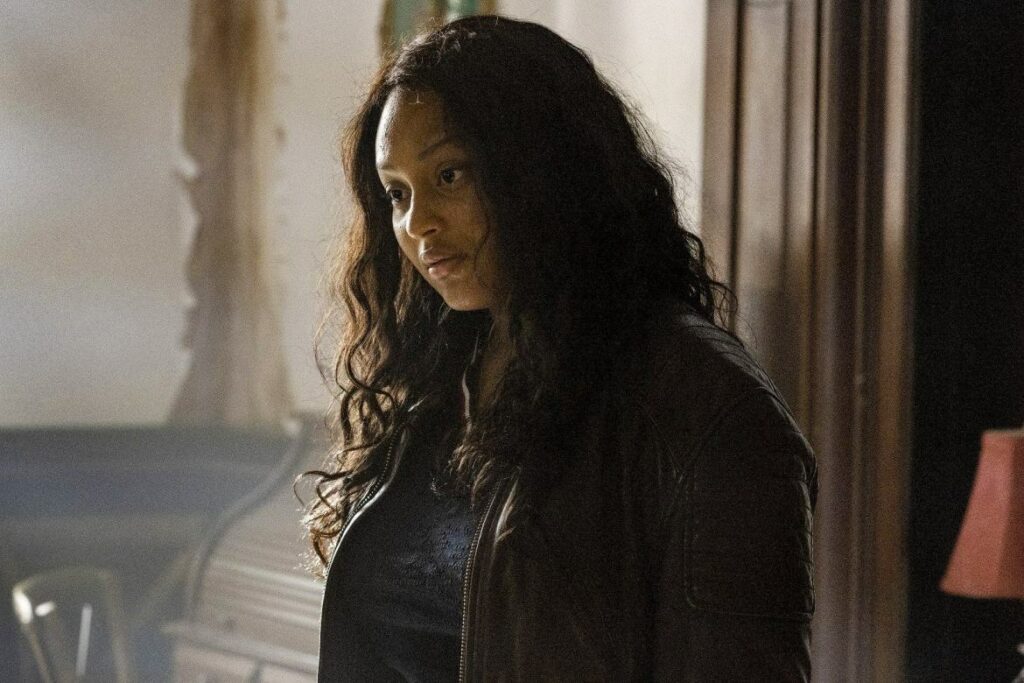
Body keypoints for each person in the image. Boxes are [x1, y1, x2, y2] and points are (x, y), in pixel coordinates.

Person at [304, 15, 817, 682]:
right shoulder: (438, 376)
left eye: (450, 175)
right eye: (397, 193)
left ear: (541, 170)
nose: (417, 222)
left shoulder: (706, 411)